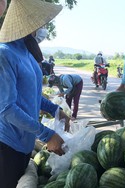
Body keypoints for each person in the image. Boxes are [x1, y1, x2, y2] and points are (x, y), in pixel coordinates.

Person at [0, 0, 70, 187]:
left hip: (24, 143)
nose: (43, 27)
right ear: (28, 24)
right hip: (7, 146)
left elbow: (31, 95)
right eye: (41, 23)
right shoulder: (4, 54)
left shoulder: (27, 54)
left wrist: (56, 110)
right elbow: (7, 109)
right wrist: (47, 135)